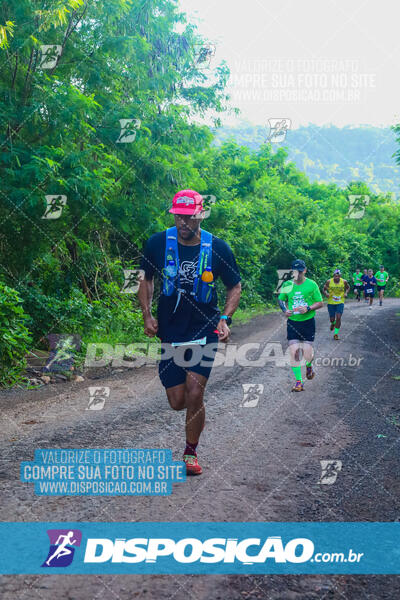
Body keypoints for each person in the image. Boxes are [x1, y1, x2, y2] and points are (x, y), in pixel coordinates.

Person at [138, 189, 241, 475]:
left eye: (189, 218)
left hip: (204, 328)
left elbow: (235, 286)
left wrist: (225, 318)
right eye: (179, 218)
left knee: (195, 392)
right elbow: (145, 279)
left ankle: (190, 453)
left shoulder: (218, 247)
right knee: (177, 401)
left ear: (200, 216)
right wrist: (147, 315)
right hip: (170, 331)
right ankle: (189, 431)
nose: (184, 223)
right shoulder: (157, 243)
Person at [278, 259, 324, 392]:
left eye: (299, 271)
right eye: (294, 271)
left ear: (304, 270)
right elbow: (281, 299)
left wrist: (308, 308)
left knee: (307, 353)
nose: (297, 274)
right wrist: (284, 310)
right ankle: (299, 382)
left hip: (308, 322)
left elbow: (320, 303)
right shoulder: (287, 284)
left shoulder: (311, 284)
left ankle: (309, 365)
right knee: (294, 351)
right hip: (293, 322)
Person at [323, 269, 350, 340]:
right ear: (333, 276)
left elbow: (348, 288)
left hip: (340, 301)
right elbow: (324, 289)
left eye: (338, 276)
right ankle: (333, 323)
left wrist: (346, 293)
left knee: (338, 317)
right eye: (335, 276)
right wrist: (326, 293)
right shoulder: (329, 281)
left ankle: (336, 334)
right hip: (331, 302)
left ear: (340, 276)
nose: (337, 277)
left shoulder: (344, 281)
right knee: (332, 319)